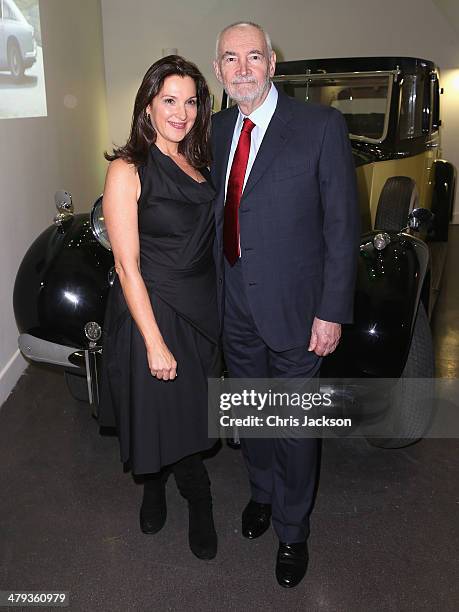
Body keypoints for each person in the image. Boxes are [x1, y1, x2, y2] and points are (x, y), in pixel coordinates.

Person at [211, 22, 360, 587]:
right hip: (235, 306)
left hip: (300, 312)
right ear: (219, 69)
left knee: (295, 426)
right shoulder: (219, 128)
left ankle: (293, 530)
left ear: (272, 63)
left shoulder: (320, 127)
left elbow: (343, 227)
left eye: (253, 56)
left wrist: (332, 311)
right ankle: (262, 494)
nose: (243, 67)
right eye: (231, 58)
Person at [98, 55, 219, 560]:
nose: (181, 112)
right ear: (148, 105)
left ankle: (192, 493)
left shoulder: (201, 162)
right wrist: (153, 341)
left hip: (201, 308)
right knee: (156, 413)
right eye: (169, 100)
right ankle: (167, 489)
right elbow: (127, 266)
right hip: (152, 310)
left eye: (190, 101)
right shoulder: (128, 168)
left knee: (192, 413)